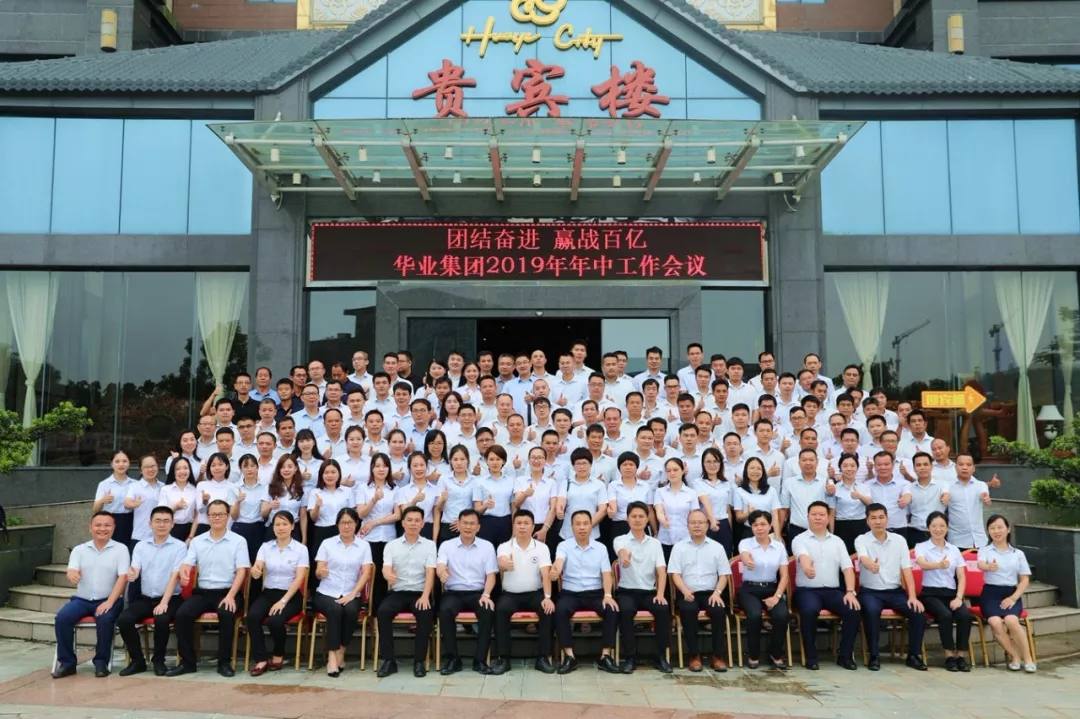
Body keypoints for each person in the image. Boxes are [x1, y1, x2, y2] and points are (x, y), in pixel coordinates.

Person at [169, 499, 250, 677]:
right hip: (203, 592)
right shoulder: (198, 541)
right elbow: (187, 564)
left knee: (226, 613)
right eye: (213, 514)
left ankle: (224, 663)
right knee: (182, 614)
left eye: (220, 514)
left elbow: (242, 571)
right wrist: (184, 571)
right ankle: (188, 662)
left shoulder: (238, 541)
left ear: (228, 516)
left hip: (228, 591)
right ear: (207, 517)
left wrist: (231, 595)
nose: (217, 518)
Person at [52, 511, 129, 679]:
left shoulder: (121, 549)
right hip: (82, 600)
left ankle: (101, 662)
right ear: (90, 528)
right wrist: (72, 574)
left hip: (109, 599)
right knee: (62, 618)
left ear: (113, 528)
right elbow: (72, 569)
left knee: (105, 619)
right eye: (98, 525)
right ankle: (67, 663)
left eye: (107, 525)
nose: (102, 529)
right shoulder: (80, 550)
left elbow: (123, 577)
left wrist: (110, 602)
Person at [854, 504, 927, 670]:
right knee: (871, 611)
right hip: (870, 592)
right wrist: (871, 565)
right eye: (873, 518)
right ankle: (874, 656)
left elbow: (906, 570)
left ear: (887, 519)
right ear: (867, 521)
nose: (878, 521)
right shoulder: (861, 539)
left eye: (881, 517)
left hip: (895, 592)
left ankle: (914, 655)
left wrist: (912, 597)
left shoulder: (899, 540)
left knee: (918, 613)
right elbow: (863, 558)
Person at [117, 506, 186, 676]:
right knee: (124, 619)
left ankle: (158, 661)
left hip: (171, 598)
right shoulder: (141, 546)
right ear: (150, 523)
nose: (161, 525)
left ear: (172, 524)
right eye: (158, 521)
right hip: (146, 598)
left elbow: (175, 576)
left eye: (166, 521)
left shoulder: (180, 546)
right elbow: (135, 568)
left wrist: (164, 602)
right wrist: (132, 574)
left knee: (161, 619)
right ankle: (137, 661)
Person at [792, 501, 860, 671]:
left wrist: (850, 591)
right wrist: (807, 567)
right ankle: (811, 657)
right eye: (814, 514)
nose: (818, 518)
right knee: (809, 610)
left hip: (832, 591)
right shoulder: (799, 539)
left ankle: (845, 656)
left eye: (821, 514)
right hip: (807, 591)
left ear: (828, 517)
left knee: (853, 610)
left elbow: (847, 568)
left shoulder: (837, 541)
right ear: (807, 517)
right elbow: (803, 556)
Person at [550, 509, 620, 674]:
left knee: (612, 609)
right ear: (572, 526)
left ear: (591, 526)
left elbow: (606, 574)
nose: (582, 527)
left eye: (585, 523)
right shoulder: (564, 546)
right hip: (571, 593)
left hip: (595, 592)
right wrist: (555, 570)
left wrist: (608, 595)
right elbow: (559, 562)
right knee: (560, 610)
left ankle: (605, 656)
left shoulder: (600, 548)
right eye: (578, 524)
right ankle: (569, 657)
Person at [491, 509, 556, 674]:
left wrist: (548, 597)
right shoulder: (504, 546)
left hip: (534, 593)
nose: (522, 526)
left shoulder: (541, 548)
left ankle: (543, 657)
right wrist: (504, 563)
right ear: (513, 526)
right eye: (518, 523)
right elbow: (501, 560)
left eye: (526, 523)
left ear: (533, 527)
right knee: (501, 610)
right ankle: (503, 658)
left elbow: (546, 574)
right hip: (510, 594)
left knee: (547, 609)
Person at [246, 510, 309, 676]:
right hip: (268, 593)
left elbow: (299, 578)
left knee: (275, 620)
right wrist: (255, 571)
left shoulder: (300, 549)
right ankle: (261, 659)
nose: (281, 528)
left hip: (291, 596)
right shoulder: (266, 547)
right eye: (277, 524)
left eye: (284, 524)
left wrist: (283, 601)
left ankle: (278, 654)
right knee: (252, 616)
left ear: (292, 526)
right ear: (273, 527)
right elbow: (257, 567)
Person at [377, 505, 437, 678]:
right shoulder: (391, 545)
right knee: (383, 611)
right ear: (402, 523)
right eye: (409, 520)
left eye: (417, 520)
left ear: (423, 524)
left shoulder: (430, 545)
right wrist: (387, 574)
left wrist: (425, 596)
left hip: (419, 592)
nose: (413, 523)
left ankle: (419, 661)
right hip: (398, 591)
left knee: (425, 612)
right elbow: (386, 568)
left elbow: (430, 572)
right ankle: (389, 661)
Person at [612, 501, 672, 673]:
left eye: (641, 516)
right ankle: (630, 658)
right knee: (626, 611)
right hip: (626, 591)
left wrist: (660, 594)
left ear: (647, 519)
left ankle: (660, 656)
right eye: (633, 516)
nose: (637, 520)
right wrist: (624, 556)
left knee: (663, 609)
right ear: (627, 519)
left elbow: (661, 571)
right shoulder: (620, 540)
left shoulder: (655, 543)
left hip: (649, 592)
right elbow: (621, 551)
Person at [312, 507, 373, 676]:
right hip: (326, 592)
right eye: (343, 523)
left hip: (352, 592)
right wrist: (321, 572)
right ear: (337, 524)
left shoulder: (364, 546)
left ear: (356, 524)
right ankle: (332, 656)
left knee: (351, 610)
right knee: (335, 609)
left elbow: (366, 573)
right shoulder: (327, 543)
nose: (346, 526)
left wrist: (353, 594)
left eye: (350, 522)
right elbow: (318, 571)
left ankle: (341, 651)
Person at [668, 509, 730, 672]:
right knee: (688, 610)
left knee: (718, 610)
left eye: (701, 522)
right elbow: (675, 574)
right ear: (687, 526)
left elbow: (724, 575)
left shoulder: (717, 547)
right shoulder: (679, 547)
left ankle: (717, 656)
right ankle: (694, 656)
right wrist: (684, 590)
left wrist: (717, 593)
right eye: (693, 522)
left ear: (707, 525)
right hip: (688, 592)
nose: (697, 526)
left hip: (711, 593)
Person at [436, 509, 497, 675]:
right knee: (445, 610)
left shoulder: (487, 546)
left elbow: (491, 575)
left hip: (478, 593)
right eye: (465, 523)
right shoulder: (447, 545)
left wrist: (486, 594)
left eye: (472, 524)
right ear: (458, 524)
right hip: (453, 592)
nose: (468, 527)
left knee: (487, 610)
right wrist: (442, 573)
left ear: (478, 527)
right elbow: (440, 565)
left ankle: (480, 660)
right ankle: (453, 659)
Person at [914, 511, 972, 672]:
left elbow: (961, 576)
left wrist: (959, 597)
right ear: (928, 528)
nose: (938, 529)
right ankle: (949, 656)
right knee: (945, 615)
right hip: (930, 594)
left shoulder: (954, 550)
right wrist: (938, 565)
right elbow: (922, 564)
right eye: (934, 526)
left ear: (947, 528)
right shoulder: (921, 547)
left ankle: (961, 656)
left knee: (965, 616)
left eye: (942, 526)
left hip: (951, 594)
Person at [978, 514, 1035, 672]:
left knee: (1011, 620)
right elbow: (980, 564)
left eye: (999, 527)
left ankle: (1028, 658)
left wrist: (1013, 597)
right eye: (992, 528)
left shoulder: (1018, 553)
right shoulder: (984, 550)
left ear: (1008, 529)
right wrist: (988, 567)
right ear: (988, 531)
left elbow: (1024, 579)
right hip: (990, 594)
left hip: (1011, 593)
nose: (996, 531)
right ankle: (1015, 656)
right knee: (995, 622)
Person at [736, 509, 790, 669]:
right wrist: (747, 561)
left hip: (772, 588)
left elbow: (784, 576)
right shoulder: (745, 543)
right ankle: (753, 655)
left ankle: (776, 653)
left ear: (770, 525)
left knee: (782, 615)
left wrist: (777, 596)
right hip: (749, 589)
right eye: (755, 525)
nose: (759, 528)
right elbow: (744, 555)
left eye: (763, 524)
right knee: (754, 615)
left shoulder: (779, 547)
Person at [357, 452, 400, 610]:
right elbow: (361, 514)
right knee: (369, 574)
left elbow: (397, 515)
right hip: (369, 538)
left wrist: (375, 522)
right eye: (377, 466)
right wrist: (374, 499)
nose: (381, 469)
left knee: (384, 574)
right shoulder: (363, 488)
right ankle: (369, 609)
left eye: (385, 466)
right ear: (372, 469)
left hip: (388, 537)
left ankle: (381, 611)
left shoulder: (395, 489)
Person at [654, 457, 700, 561]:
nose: (672, 473)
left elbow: (694, 516)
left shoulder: (691, 493)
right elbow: (659, 510)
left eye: (675, 470)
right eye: (668, 470)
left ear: (683, 471)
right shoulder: (660, 492)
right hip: (665, 538)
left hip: (686, 538)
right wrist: (663, 520)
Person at [944, 454, 992, 549]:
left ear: (974, 468)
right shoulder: (947, 486)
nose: (965, 467)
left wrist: (986, 499)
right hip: (956, 541)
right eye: (961, 464)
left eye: (968, 465)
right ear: (955, 467)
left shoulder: (981, 485)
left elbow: (986, 497)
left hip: (979, 540)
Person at [695, 447, 735, 557]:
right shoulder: (698, 482)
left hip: (724, 524)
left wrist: (729, 530)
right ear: (703, 464)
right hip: (706, 524)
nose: (712, 465)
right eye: (708, 462)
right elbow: (704, 500)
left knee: (725, 557)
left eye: (715, 461)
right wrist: (712, 520)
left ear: (720, 463)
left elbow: (727, 510)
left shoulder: (726, 484)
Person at [231, 454, 269, 562]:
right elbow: (233, 516)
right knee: (239, 562)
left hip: (258, 527)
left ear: (257, 468)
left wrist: (270, 506)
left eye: (252, 466)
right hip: (240, 527)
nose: (249, 469)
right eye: (246, 466)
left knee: (257, 561)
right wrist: (238, 502)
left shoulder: (265, 487)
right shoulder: (235, 488)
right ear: (240, 469)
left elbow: (264, 514)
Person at [93, 451, 135, 548]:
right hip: (109, 521)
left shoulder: (135, 484)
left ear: (129, 463)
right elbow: (95, 509)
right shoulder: (104, 484)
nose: (121, 464)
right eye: (117, 461)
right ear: (111, 464)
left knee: (128, 550)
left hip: (130, 520)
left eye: (124, 461)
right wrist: (102, 500)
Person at [829, 453, 869, 553]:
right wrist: (831, 534)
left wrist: (860, 496)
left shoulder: (864, 487)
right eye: (845, 466)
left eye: (852, 465)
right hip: (841, 526)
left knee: (861, 556)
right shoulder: (835, 488)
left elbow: (870, 504)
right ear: (840, 468)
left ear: (857, 468)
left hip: (860, 525)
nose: (849, 469)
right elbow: (832, 513)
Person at [160, 456, 197, 542]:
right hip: (170, 529)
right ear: (173, 471)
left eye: (185, 468)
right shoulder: (165, 489)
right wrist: (175, 507)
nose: (182, 471)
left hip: (190, 529)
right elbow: (161, 514)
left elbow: (197, 515)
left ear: (190, 470)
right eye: (178, 469)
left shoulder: (195, 490)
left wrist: (191, 536)